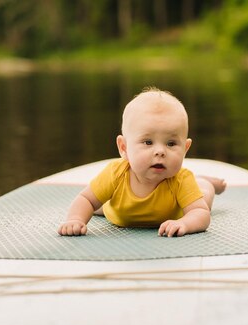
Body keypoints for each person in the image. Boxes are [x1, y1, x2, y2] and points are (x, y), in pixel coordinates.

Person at [58, 86, 226, 237]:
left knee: (204, 197)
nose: (160, 151)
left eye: (171, 143)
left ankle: (205, 182)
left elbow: (200, 213)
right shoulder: (116, 174)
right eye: (148, 142)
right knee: (97, 204)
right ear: (124, 148)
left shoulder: (181, 180)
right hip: (119, 207)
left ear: (185, 149)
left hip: (175, 209)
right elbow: (86, 199)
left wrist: (184, 223)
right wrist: (75, 219)